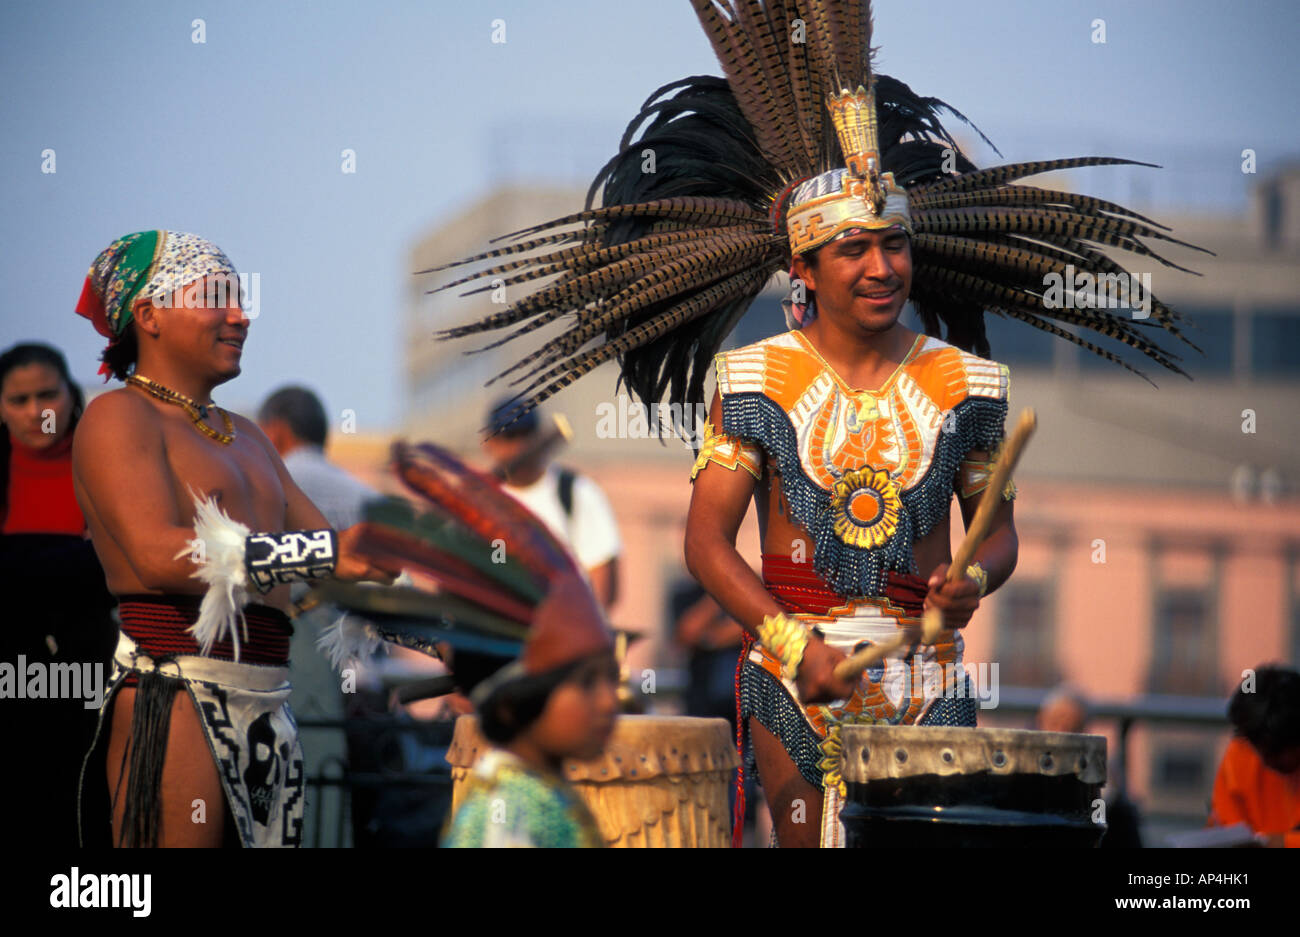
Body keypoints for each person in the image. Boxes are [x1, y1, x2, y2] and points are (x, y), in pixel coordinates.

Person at [428, 2, 1203, 846]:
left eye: (895, 245)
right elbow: (706, 545)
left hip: (930, 676)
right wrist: (796, 647)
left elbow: (998, 535)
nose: (883, 267)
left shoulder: (969, 384)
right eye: (854, 250)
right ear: (803, 265)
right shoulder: (754, 377)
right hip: (794, 673)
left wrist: (974, 580)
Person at [70, 230, 401, 847]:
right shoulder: (117, 416)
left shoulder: (247, 435)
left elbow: (335, 562)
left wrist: (447, 634)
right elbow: (157, 553)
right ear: (149, 315)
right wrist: (327, 551)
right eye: (217, 298)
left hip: (272, 706)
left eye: (241, 299)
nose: (240, 315)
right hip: (179, 698)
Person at [0, 342, 117, 847]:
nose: (34, 412)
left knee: (82, 805)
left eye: (46, 395)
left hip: (89, 672)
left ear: (70, 394)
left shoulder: (110, 463)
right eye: (18, 399)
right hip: (8, 675)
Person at [442, 577, 618, 848]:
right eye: (586, 683)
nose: (609, 701)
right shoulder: (506, 813)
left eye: (613, 678)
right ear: (511, 705)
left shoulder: (541, 793)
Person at [481, 400, 620, 610]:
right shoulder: (480, 501)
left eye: (525, 435)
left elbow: (602, 583)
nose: (517, 446)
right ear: (489, 443)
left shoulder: (578, 492)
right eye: (508, 437)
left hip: (565, 629)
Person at [1208, 665, 1300, 847]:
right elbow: (1224, 830)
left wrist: (1284, 843)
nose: (1267, 760)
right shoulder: (1240, 755)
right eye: (1258, 747)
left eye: (1277, 749)